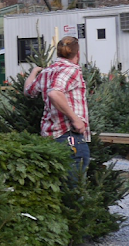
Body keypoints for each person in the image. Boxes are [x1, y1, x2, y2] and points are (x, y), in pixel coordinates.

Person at [24, 36, 90, 175]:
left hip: (49, 136)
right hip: (69, 135)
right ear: (77, 54)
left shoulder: (46, 72)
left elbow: (28, 91)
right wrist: (76, 119)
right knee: (74, 188)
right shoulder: (72, 70)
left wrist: (34, 72)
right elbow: (54, 93)